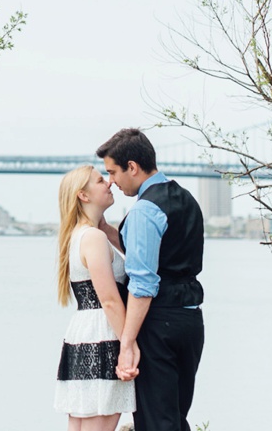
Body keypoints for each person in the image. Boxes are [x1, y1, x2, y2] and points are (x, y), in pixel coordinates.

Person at [97, 127, 205, 431]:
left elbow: (143, 285)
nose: (111, 182)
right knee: (175, 418)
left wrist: (128, 343)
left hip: (159, 324)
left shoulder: (145, 210)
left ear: (132, 166)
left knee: (156, 421)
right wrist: (108, 232)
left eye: (113, 172)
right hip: (190, 321)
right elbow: (157, 254)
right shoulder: (184, 198)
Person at [54, 164, 135, 430]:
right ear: (83, 195)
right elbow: (110, 300)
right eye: (100, 180)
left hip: (82, 334)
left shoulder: (79, 236)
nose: (109, 183)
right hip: (103, 335)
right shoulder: (94, 238)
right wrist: (129, 345)